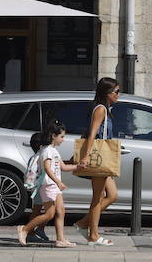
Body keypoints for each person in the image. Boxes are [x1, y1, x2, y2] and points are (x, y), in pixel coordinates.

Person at [75, 77, 121, 246]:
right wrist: (86, 156)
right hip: (98, 157)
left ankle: (82, 223)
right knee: (97, 197)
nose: (118, 94)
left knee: (112, 195)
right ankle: (93, 235)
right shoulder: (101, 109)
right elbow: (93, 134)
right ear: (107, 93)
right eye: (116, 92)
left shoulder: (106, 109)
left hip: (102, 158)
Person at [17, 122, 78, 248]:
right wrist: (58, 182)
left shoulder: (53, 151)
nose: (63, 139)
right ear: (53, 136)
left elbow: (63, 167)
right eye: (61, 136)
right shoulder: (47, 151)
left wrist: (78, 166)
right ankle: (24, 229)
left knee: (61, 210)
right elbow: (47, 168)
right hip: (49, 186)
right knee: (49, 214)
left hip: (54, 186)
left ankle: (60, 239)